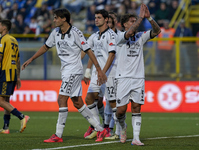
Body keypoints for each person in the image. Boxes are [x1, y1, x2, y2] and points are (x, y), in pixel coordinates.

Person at [21, 8, 107, 143]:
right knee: (77, 102)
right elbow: (45, 47)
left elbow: (88, 50)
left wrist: (98, 69)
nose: (54, 20)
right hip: (66, 71)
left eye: (56, 18)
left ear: (64, 19)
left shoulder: (76, 33)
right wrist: (31, 59)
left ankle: (58, 135)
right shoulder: (55, 33)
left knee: (61, 99)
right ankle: (100, 129)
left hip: (74, 70)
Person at [115, 4, 160, 145]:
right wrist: (140, 17)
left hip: (138, 78)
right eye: (131, 21)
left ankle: (136, 138)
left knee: (136, 107)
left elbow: (157, 31)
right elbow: (129, 33)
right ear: (123, 24)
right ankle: (122, 127)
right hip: (123, 78)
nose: (134, 23)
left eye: (135, 21)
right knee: (121, 111)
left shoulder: (141, 36)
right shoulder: (119, 36)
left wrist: (149, 18)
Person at [82, 9, 116, 142]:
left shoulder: (111, 35)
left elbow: (112, 55)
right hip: (98, 74)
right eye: (95, 17)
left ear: (106, 19)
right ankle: (99, 128)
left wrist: (103, 72)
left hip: (110, 74)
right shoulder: (94, 36)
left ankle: (115, 130)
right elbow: (87, 51)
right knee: (89, 99)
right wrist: (86, 69)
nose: (96, 19)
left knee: (112, 103)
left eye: (99, 17)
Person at [0, 19, 30, 134]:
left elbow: (0, 57)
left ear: (4, 28)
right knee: (6, 100)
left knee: (1, 101)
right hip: (12, 73)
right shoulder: (14, 40)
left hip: (5, 72)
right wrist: (18, 77)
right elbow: (18, 60)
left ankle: (22, 116)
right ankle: (6, 127)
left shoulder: (3, 39)